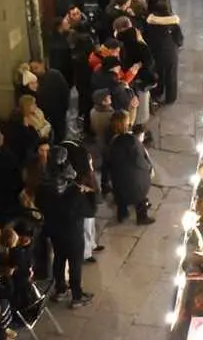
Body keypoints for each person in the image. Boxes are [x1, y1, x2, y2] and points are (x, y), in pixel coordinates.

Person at [36, 146, 93, 309]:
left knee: (59, 259)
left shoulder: (44, 185)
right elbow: (88, 211)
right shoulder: (73, 191)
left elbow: (39, 203)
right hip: (72, 232)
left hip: (54, 230)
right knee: (75, 264)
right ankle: (77, 296)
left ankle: (60, 290)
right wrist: (87, 194)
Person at [106, 112, 155, 225]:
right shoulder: (132, 141)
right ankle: (142, 217)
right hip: (134, 183)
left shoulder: (112, 141)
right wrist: (149, 168)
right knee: (140, 194)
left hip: (118, 182)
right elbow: (141, 161)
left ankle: (122, 215)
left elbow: (107, 163)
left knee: (121, 198)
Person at [143, 0, 184, 105]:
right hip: (170, 53)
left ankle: (157, 93)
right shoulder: (173, 23)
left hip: (156, 53)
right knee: (171, 75)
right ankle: (171, 98)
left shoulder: (150, 23)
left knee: (158, 73)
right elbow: (179, 39)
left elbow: (146, 37)